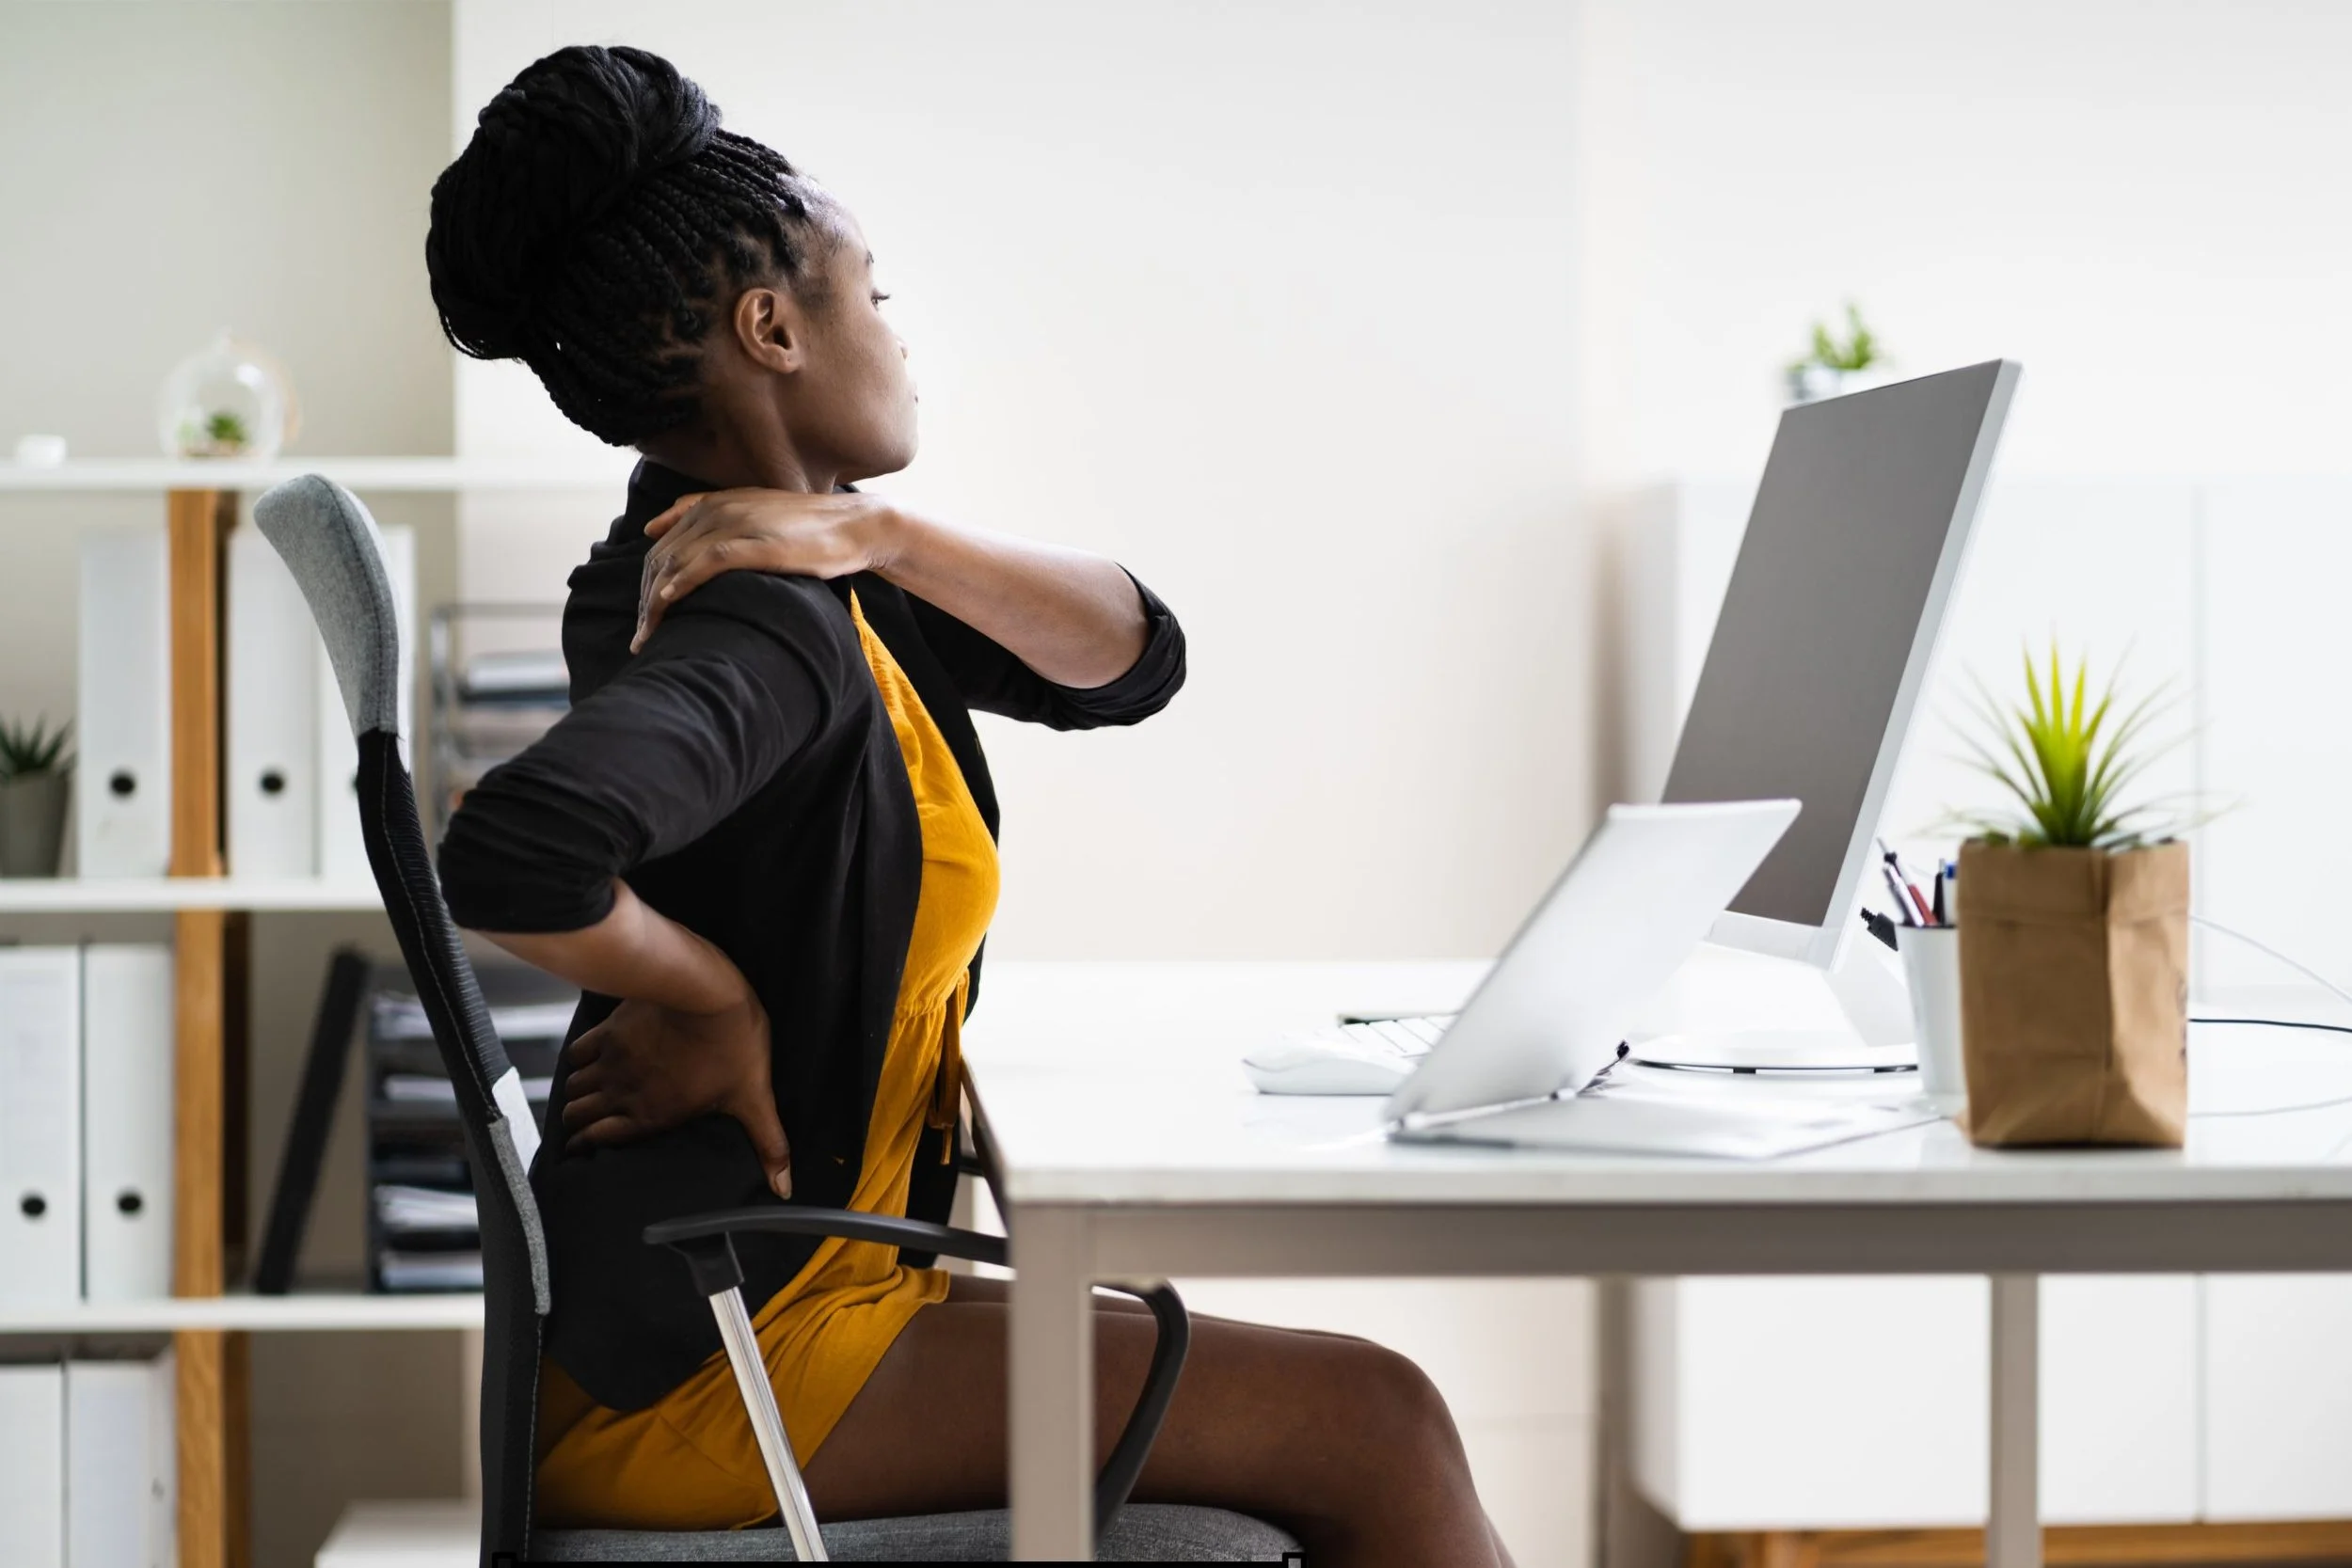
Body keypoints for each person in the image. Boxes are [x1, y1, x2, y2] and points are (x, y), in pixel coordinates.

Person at [427, 44, 1514, 1567]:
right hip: (728, 1354)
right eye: (874, 296)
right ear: (773, 327)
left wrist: (879, 530)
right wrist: (712, 996)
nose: (897, 336)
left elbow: (1133, 656)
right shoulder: (752, 621)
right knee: (1381, 1424)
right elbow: (512, 846)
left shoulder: (802, 573)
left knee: (1352, 1418)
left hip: (788, 1281)